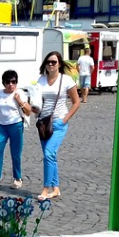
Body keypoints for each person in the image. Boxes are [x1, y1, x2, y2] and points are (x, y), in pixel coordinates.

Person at [33, 51, 81, 201]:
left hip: (59, 123)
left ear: (59, 64)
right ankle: (56, 188)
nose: (51, 65)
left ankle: (46, 189)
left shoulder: (66, 80)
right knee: (51, 157)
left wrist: (65, 119)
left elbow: (76, 102)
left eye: (54, 62)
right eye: (48, 62)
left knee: (48, 154)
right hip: (44, 124)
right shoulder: (41, 80)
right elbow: (37, 101)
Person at [0, 70, 31, 190]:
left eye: (13, 82)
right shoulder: (0, 94)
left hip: (15, 125)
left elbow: (28, 111)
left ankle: (17, 178)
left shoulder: (20, 93)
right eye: (8, 82)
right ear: (4, 83)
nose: (11, 84)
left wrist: (19, 101)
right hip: (1, 126)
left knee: (16, 153)